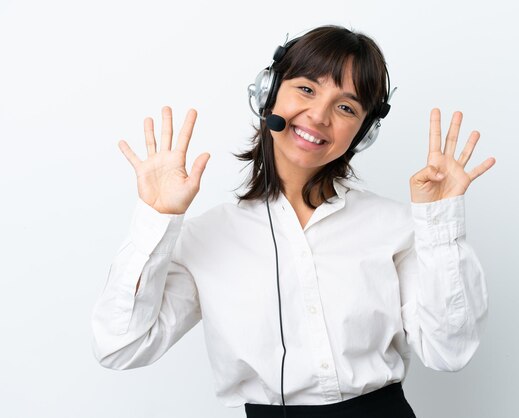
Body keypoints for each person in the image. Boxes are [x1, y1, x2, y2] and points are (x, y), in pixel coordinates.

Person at [91, 25, 496, 418]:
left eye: (346, 107)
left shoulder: (395, 226)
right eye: (306, 88)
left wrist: (439, 223)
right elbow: (120, 347)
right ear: (268, 92)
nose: (319, 116)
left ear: (362, 133)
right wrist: (157, 218)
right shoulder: (206, 237)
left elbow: (449, 351)